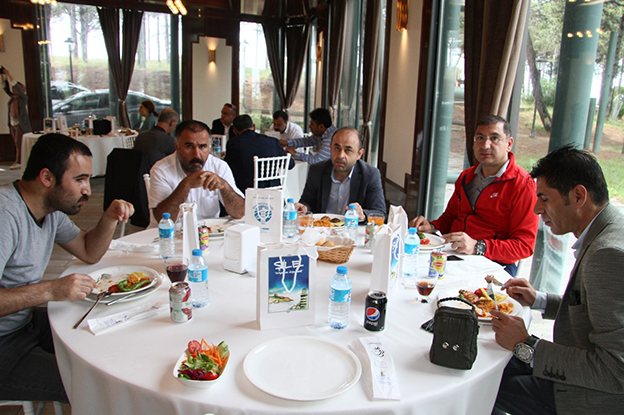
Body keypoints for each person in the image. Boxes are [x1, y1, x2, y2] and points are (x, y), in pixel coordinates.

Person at [490, 145, 624, 415]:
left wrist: (527, 345)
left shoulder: (606, 255)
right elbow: (588, 308)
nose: (536, 209)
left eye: (544, 198)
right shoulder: (609, 227)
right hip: (577, 373)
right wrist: (539, 300)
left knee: (483, 382)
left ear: (578, 196)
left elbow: (615, 370)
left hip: (584, 398)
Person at [0, 133, 134, 403]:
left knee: (111, 342)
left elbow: (88, 250)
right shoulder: (5, 214)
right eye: (80, 179)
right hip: (5, 345)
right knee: (102, 388)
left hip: (25, 324)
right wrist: (50, 290)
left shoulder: (50, 211)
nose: (88, 190)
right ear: (47, 177)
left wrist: (109, 217)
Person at [409, 115, 538, 276]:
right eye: (480, 138)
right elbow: (449, 218)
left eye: (494, 138)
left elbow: (524, 246)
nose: (485, 145)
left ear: (509, 144)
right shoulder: (467, 176)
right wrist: (431, 227)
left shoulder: (522, 185)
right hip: (454, 255)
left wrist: (478, 246)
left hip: (494, 264)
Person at [149, 120, 245, 222]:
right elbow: (162, 220)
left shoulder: (219, 166)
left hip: (209, 231)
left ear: (209, 147)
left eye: (202, 146)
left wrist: (224, 186)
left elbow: (240, 213)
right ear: (177, 146)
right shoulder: (161, 170)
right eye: (189, 146)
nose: (196, 155)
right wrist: (185, 185)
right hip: (173, 231)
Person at [296, 127, 386, 222]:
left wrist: (363, 215)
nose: (340, 155)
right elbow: (307, 202)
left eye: (348, 150)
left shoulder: (370, 174)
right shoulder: (317, 170)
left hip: (351, 228)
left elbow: (379, 213)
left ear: (359, 154)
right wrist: (303, 208)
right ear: (330, 148)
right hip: (323, 227)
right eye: (337, 148)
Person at [224, 114, 295, 193]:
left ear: (234, 131)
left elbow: (226, 167)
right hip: (273, 190)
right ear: (254, 127)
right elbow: (290, 164)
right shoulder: (272, 141)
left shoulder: (234, 143)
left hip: (247, 191)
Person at [1, 67, 32, 170]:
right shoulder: (13, 97)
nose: (14, 90)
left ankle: (19, 162)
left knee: (19, 143)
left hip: (20, 124)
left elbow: (14, 84)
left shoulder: (23, 98)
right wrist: (3, 76)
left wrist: (8, 73)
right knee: (16, 143)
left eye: (16, 88)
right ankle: (19, 160)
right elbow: (5, 87)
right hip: (12, 123)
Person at [134, 108, 178, 172]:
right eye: (175, 125)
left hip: (138, 174)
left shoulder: (140, 136)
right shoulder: (168, 140)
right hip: (156, 175)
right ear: (172, 123)